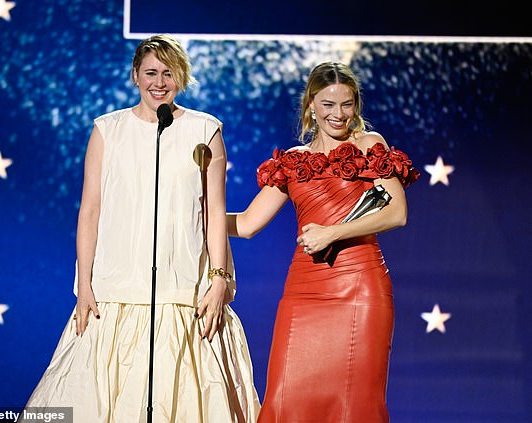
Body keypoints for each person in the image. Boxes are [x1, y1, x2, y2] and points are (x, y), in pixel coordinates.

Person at [24, 34, 260, 422]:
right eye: (150, 72)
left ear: (181, 78)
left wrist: (218, 279)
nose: (159, 82)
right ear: (135, 75)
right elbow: (90, 212)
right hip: (115, 290)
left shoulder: (205, 130)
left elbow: (214, 213)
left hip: (184, 288)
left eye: (169, 73)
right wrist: (84, 284)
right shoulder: (107, 130)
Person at [227, 62, 419, 422]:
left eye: (346, 104)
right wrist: (192, 218)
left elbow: (396, 212)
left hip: (359, 289)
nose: (338, 114)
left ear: (356, 106)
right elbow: (248, 224)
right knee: (285, 401)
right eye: (328, 104)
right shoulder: (293, 160)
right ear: (311, 105)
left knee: (354, 405)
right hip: (304, 294)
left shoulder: (368, 145)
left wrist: (331, 232)